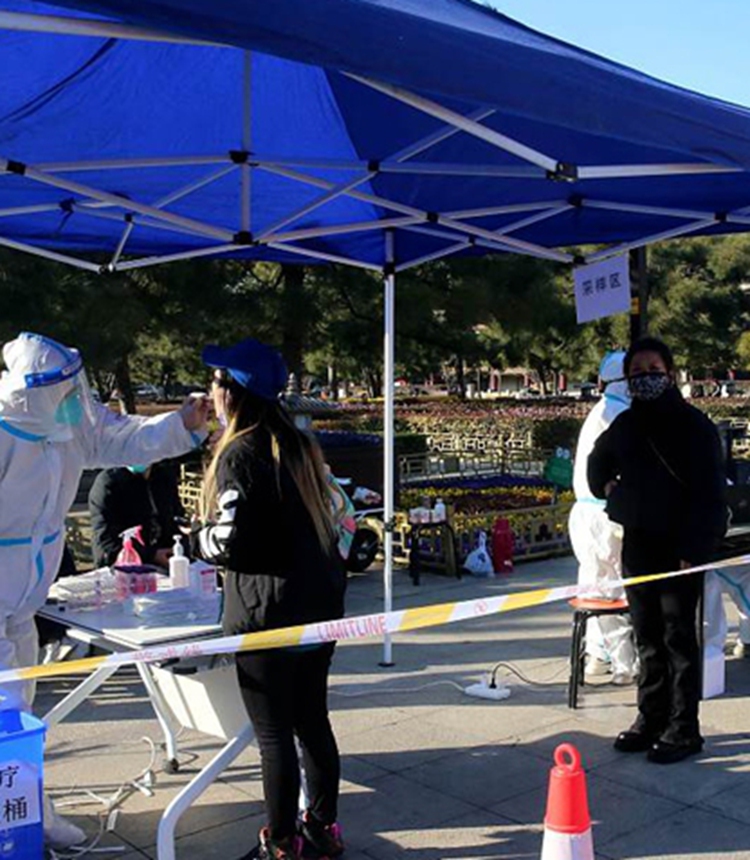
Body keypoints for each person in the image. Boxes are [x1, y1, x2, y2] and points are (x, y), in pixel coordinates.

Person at [0, 331, 209, 848]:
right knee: (7, 721)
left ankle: (28, 813)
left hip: (21, 605)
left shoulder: (66, 429)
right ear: (35, 392)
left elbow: (123, 438)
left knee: (20, 719)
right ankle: (22, 822)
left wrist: (180, 424)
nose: (78, 401)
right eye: (66, 392)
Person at [195, 338, 346, 860]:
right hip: (318, 606)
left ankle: (281, 843)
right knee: (313, 722)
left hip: (267, 615)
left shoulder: (240, 452)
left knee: (275, 734)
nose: (210, 389)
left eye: (216, 380)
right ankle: (322, 828)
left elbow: (229, 540)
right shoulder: (298, 443)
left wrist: (194, 539)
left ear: (232, 392)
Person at [588, 336, 726, 765]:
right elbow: (596, 463)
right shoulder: (626, 425)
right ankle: (651, 717)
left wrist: (694, 549)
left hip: (680, 548)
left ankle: (684, 728)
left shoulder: (695, 426)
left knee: (677, 638)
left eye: (653, 370)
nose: (645, 378)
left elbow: (710, 495)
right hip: (639, 546)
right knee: (647, 635)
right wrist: (608, 488)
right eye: (637, 372)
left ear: (669, 374)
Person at [568, 352, 637, 685]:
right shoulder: (620, 414)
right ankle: (625, 665)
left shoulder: (600, 410)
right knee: (619, 591)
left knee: (597, 587)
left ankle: (599, 655)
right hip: (607, 515)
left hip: (586, 514)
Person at [89, 460, 184, 569]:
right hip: (124, 565)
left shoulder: (163, 476)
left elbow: (175, 519)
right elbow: (106, 540)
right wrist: (151, 555)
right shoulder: (108, 483)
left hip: (165, 562)